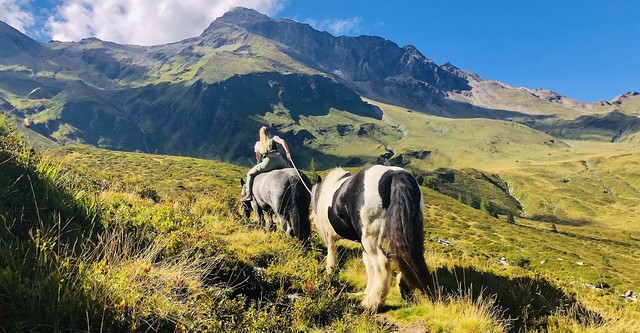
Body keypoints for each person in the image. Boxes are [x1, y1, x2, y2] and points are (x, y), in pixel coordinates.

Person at [242, 126, 292, 201]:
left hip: (268, 162)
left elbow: (258, 157)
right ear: (268, 132)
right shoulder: (274, 138)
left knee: (250, 174)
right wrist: (287, 152)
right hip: (280, 160)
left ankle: (248, 194)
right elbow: (282, 141)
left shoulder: (258, 144)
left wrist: (258, 163)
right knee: (291, 172)